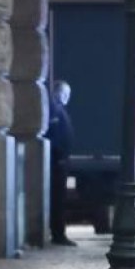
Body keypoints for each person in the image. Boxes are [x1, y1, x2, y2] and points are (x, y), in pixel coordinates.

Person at [45, 80, 77, 246]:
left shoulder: (57, 110)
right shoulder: (55, 111)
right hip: (58, 162)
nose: (67, 97)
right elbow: (56, 138)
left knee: (59, 199)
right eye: (65, 93)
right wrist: (60, 158)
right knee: (58, 199)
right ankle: (58, 233)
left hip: (59, 161)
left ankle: (58, 232)